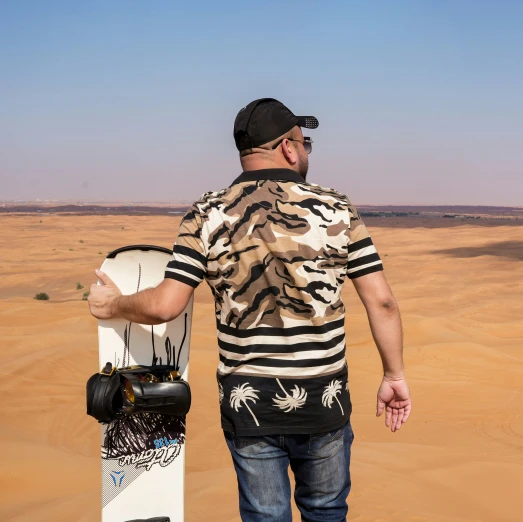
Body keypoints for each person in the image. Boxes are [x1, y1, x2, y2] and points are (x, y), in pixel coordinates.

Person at [88, 98, 411, 522]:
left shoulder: (206, 212)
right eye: (305, 141)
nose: (307, 151)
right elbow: (382, 302)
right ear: (289, 148)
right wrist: (394, 375)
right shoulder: (337, 209)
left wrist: (114, 303)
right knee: (327, 511)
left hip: (249, 407)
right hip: (323, 403)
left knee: (264, 517)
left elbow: (166, 305)